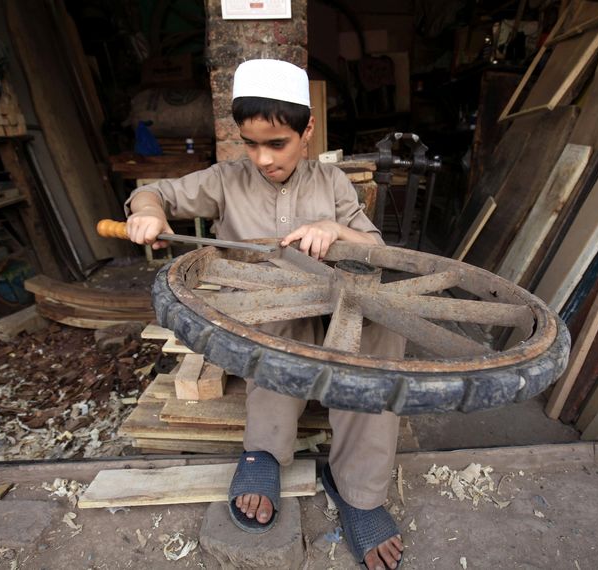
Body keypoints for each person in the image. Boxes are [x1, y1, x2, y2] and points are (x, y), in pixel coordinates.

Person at [124, 59, 404, 570]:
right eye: (250, 144)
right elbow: (155, 192)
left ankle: (359, 490)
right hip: (264, 311)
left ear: (308, 130)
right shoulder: (226, 180)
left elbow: (375, 246)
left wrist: (335, 230)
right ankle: (265, 454)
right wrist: (147, 213)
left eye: (277, 143)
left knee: (381, 333)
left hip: (332, 302)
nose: (263, 158)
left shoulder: (333, 185)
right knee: (280, 326)